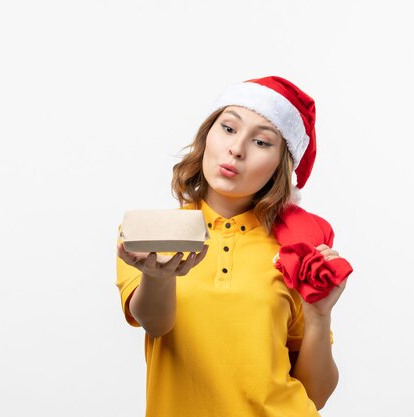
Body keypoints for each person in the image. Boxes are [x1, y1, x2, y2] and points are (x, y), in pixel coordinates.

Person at [116, 76, 352, 416]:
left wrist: (319, 316)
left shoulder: (298, 251)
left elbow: (315, 395)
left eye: (261, 142)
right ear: (207, 135)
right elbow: (156, 324)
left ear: (280, 167)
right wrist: (158, 277)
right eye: (228, 129)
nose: (237, 148)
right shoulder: (150, 235)